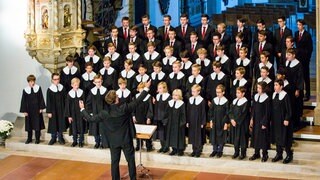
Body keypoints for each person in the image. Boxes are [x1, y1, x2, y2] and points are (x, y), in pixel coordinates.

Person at [80, 80, 152, 180]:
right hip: (126, 139)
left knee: (114, 162)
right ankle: (133, 178)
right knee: (130, 161)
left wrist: (82, 109)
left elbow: (91, 119)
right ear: (116, 99)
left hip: (113, 141)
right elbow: (137, 101)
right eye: (117, 96)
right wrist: (146, 88)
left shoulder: (104, 113)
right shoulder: (124, 108)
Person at [271, 79, 293, 164]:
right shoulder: (273, 94)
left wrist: (287, 119)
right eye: (274, 85)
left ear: (281, 86)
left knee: (285, 138)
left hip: (283, 121)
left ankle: (289, 154)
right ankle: (279, 153)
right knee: (277, 137)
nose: (275, 87)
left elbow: (289, 110)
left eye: (276, 85)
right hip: (275, 120)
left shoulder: (285, 95)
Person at [20, 74, 46, 144]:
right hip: (29, 110)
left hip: (37, 109)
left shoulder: (38, 88)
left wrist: (41, 108)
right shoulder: (25, 90)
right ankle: (29, 138)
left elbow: (41, 98)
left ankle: (37, 139)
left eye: (33, 81)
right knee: (29, 125)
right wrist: (24, 110)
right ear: (28, 82)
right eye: (31, 81)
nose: (32, 83)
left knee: (37, 124)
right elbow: (23, 101)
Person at [249, 81, 271, 162]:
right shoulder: (256, 96)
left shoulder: (267, 98)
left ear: (264, 89)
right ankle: (256, 153)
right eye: (257, 88)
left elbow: (267, 112)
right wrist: (251, 118)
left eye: (259, 88)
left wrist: (264, 122)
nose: (258, 89)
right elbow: (253, 109)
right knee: (255, 137)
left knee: (263, 138)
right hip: (256, 120)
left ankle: (265, 154)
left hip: (262, 121)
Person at [86, 74, 108, 149]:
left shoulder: (105, 90)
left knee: (102, 128)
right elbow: (88, 103)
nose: (98, 83)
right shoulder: (92, 91)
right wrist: (90, 112)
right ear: (94, 82)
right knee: (95, 129)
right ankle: (97, 142)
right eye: (96, 82)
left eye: (99, 82)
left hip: (103, 113)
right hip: (95, 113)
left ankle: (102, 142)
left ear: (102, 81)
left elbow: (108, 102)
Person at [284, 48, 304, 130]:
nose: (287, 56)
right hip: (288, 88)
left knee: (295, 106)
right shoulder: (287, 63)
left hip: (295, 89)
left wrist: (298, 89)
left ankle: (296, 124)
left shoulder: (298, 64)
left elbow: (300, 78)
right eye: (287, 54)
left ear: (293, 55)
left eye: (289, 55)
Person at [229, 86, 250, 160]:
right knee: (236, 138)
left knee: (242, 139)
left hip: (242, 124)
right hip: (234, 123)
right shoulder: (234, 101)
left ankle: (243, 153)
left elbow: (244, 114)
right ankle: (236, 152)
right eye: (236, 93)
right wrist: (232, 119)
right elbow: (230, 111)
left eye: (238, 93)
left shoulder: (246, 102)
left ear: (243, 94)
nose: (237, 94)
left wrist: (236, 121)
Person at [294, 19, 313, 101]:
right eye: (297, 25)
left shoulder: (307, 35)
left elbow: (310, 48)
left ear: (303, 26)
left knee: (306, 77)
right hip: (298, 59)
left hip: (304, 59)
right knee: (299, 77)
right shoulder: (296, 33)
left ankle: (308, 94)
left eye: (300, 25)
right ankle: (300, 93)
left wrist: (307, 58)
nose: (298, 26)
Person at [208, 84, 229, 158]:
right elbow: (211, 111)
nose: (218, 94)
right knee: (214, 136)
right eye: (217, 92)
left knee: (221, 136)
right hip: (215, 120)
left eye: (219, 92)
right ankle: (214, 150)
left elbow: (227, 113)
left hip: (222, 121)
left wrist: (226, 123)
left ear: (223, 92)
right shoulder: (214, 100)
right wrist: (211, 120)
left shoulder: (226, 101)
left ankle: (220, 150)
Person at [65, 77, 86, 147]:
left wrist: (84, 113)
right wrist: (69, 116)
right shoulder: (69, 94)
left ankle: (81, 141)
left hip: (80, 113)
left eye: (78, 85)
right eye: (75, 85)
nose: (77, 86)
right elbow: (67, 105)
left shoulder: (82, 92)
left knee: (81, 127)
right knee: (74, 128)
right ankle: (74, 141)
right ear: (72, 85)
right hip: (73, 113)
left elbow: (84, 103)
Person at [46, 73, 67, 145]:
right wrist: (49, 111)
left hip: (61, 109)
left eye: (58, 79)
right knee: (53, 124)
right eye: (55, 79)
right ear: (52, 80)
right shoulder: (50, 90)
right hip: (53, 110)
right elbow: (48, 101)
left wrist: (65, 109)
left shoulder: (62, 88)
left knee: (61, 123)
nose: (57, 81)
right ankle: (53, 138)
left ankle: (60, 137)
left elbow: (65, 99)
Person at [132, 82, 154, 152]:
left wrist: (149, 117)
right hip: (138, 116)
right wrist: (133, 116)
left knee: (146, 132)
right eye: (140, 89)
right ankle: (139, 145)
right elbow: (133, 107)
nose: (141, 90)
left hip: (145, 117)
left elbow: (150, 108)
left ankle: (148, 145)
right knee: (138, 132)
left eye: (142, 89)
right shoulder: (136, 97)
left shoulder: (149, 97)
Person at [186, 85, 206, 157]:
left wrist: (203, 122)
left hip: (198, 121)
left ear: (199, 92)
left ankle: (198, 150)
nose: (192, 93)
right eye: (192, 91)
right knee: (192, 136)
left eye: (194, 91)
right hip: (191, 120)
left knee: (198, 136)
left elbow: (203, 112)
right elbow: (188, 111)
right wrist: (187, 121)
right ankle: (194, 150)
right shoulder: (190, 99)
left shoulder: (202, 100)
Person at [165, 89, 186, 156]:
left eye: (176, 95)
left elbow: (183, 114)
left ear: (179, 96)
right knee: (171, 136)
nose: (174, 96)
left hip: (179, 124)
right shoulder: (170, 103)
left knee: (179, 137)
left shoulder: (182, 104)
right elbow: (166, 113)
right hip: (171, 123)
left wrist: (182, 123)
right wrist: (166, 121)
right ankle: (174, 149)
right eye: (173, 95)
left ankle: (180, 150)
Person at [153, 82, 171, 153]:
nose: (159, 89)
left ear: (164, 88)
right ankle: (162, 146)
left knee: (165, 133)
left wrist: (165, 118)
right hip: (158, 117)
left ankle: (166, 147)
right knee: (160, 133)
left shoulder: (168, 96)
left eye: (160, 88)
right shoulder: (157, 96)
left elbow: (168, 109)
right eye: (158, 88)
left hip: (165, 118)